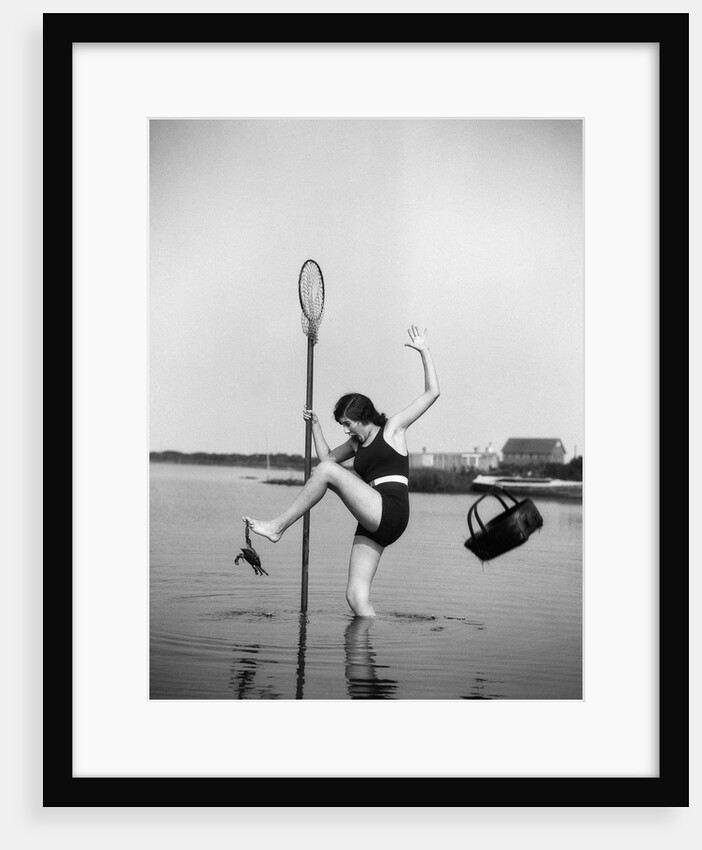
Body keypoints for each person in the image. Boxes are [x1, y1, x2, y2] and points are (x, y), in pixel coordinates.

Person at [243, 325, 440, 617]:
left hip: (391, 509)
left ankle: (278, 527)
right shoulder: (354, 444)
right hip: (374, 518)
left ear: (363, 417)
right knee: (355, 597)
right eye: (342, 425)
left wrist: (424, 350)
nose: (346, 429)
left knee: (325, 472)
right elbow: (326, 460)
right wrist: (316, 426)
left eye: (348, 423)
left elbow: (433, 392)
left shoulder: (393, 428)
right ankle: (366, 653)